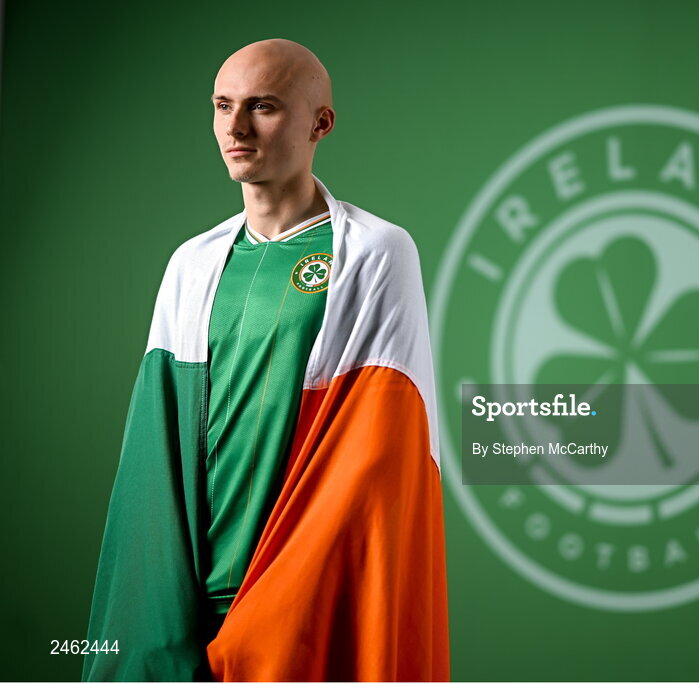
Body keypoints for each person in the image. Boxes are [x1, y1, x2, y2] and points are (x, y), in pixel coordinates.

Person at [82, 39, 449, 682]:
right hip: (192, 594)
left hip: (304, 601)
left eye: (264, 106)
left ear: (320, 123)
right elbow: (156, 447)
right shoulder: (190, 264)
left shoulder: (376, 253)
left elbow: (378, 457)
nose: (236, 126)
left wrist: (279, 604)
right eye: (223, 106)